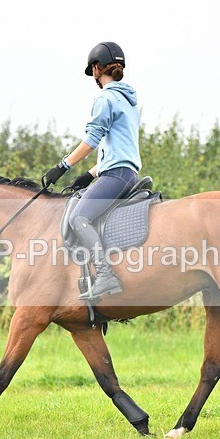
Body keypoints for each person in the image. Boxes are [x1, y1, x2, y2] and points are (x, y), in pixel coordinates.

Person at [42, 41, 142, 300]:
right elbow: (120, 147)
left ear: (98, 69)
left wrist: (63, 166)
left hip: (116, 174)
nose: (93, 77)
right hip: (126, 173)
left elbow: (92, 140)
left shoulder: (105, 98)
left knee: (78, 219)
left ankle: (106, 275)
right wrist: (90, 174)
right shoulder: (130, 101)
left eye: (93, 72)